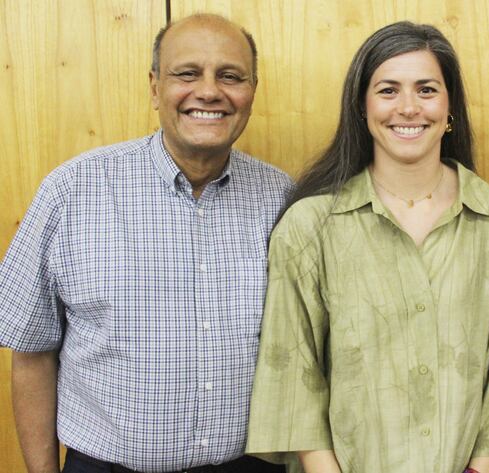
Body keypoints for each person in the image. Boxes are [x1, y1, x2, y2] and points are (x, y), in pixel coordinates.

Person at [0, 13, 293, 473]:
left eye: (231, 76)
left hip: (251, 464)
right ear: (155, 87)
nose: (210, 91)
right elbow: (32, 352)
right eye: (187, 73)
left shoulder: (284, 200)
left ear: (252, 91)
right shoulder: (72, 191)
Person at [244, 21, 489, 473]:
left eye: (426, 90)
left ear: (449, 107)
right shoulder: (311, 227)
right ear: (362, 107)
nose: (407, 108)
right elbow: (295, 377)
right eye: (387, 90)